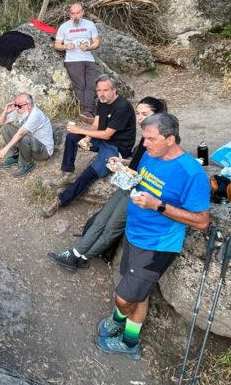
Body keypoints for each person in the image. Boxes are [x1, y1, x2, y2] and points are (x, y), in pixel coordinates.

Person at [95, 113, 211, 359]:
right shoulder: (151, 155)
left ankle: (128, 342)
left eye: (150, 139)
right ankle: (126, 334)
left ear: (170, 139)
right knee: (139, 292)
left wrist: (158, 206)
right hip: (135, 233)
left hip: (157, 245)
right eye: (144, 138)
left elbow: (202, 221)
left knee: (123, 297)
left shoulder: (191, 173)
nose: (144, 144)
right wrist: (123, 169)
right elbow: (142, 182)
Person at [47, 97, 167, 270]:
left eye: (145, 114)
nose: (139, 117)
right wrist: (122, 162)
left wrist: (130, 170)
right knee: (101, 219)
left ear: (157, 116)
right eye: (138, 113)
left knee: (112, 227)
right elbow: (138, 163)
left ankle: (82, 257)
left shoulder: (160, 142)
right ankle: (76, 254)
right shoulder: (145, 138)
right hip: (128, 185)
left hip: (141, 192)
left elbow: (155, 173)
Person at [42, 76, 135, 217]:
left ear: (114, 90)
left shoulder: (123, 107)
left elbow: (107, 135)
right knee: (72, 137)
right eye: (99, 90)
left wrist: (80, 130)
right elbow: (96, 125)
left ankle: (61, 201)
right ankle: (68, 173)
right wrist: (88, 137)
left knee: (88, 174)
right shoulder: (103, 101)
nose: (101, 93)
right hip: (101, 139)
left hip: (116, 148)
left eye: (105, 90)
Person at [55, 3, 100, 119]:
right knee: (80, 86)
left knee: (91, 85)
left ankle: (87, 111)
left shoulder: (90, 25)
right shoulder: (64, 27)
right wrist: (65, 46)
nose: (75, 16)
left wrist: (89, 47)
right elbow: (57, 45)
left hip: (88, 58)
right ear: (70, 14)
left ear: (82, 12)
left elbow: (96, 42)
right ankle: (87, 111)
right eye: (73, 13)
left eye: (78, 13)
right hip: (73, 60)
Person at [0, 93, 54, 178]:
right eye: (15, 105)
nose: (16, 108)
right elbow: (0, 123)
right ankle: (15, 156)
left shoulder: (36, 115)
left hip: (43, 151)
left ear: (29, 105)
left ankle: (26, 164)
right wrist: (5, 112)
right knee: (6, 128)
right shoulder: (20, 110)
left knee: (24, 137)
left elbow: (21, 133)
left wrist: (5, 149)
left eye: (19, 105)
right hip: (31, 144)